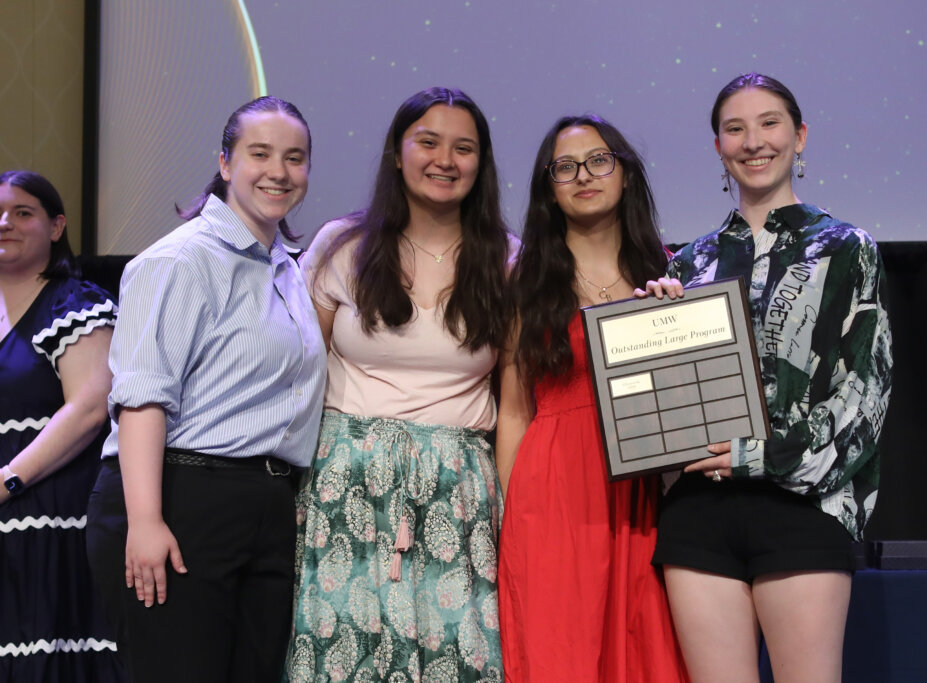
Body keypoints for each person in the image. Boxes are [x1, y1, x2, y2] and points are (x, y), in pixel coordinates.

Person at [643, 73, 893, 683]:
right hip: (700, 511)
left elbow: (866, 395)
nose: (753, 141)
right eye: (735, 128)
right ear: (718, 148)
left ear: (800, 136)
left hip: (802, 505)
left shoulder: (845, 249)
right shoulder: (688, 263)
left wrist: (759, 455)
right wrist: (651, 335)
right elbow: (663, 411)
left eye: (770, 123)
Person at [85, 96, 326, 683]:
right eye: (260, 154)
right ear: (224, 162)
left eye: (295, 158)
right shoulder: (180, 260)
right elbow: (141, 397)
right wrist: (145, 521)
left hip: (266, 502)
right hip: (179, 494)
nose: (279, 171)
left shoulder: (288, 266)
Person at [285, 87, 509, 682]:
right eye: (428, 142)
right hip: (345, 479)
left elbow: (519, 401)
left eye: (464, 148)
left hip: (458, 487)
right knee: (344, 650)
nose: (446, 160)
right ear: (397, 153)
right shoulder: (343, 245)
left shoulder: (508, 260)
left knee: (461, 654)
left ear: (480, 164)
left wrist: (511, 504)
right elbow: (302, 373)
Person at [496, 115, 688, 682]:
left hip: (642, 492)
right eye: (565, 167)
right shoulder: (525, 279)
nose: (584, 174)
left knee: (647, 649)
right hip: (552, 491)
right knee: (562, 654)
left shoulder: (667, 270)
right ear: (548, 190)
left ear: (625, 174)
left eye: (599, 160)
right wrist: (515, 517)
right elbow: (512, 409)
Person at [0, 170, 121, 682]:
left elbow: (90, 408)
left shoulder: (77, 303)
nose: (5, 222)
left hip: (51, 511)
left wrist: (8, 480)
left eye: (23, 212)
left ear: (56, 226)